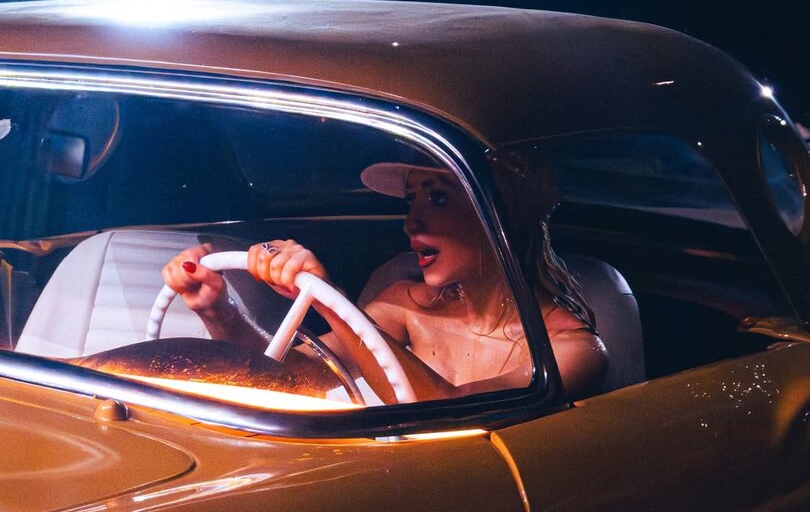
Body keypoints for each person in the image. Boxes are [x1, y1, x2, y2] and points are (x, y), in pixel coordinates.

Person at [162, 158, 608, 404]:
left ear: (501, 214)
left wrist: (330, 301)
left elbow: (447, 411)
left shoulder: (572, 351)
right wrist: (219, 312)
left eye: (438, 198)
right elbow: (284, 380)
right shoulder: (403, 306)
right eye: (412, 201)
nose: (411, 223)